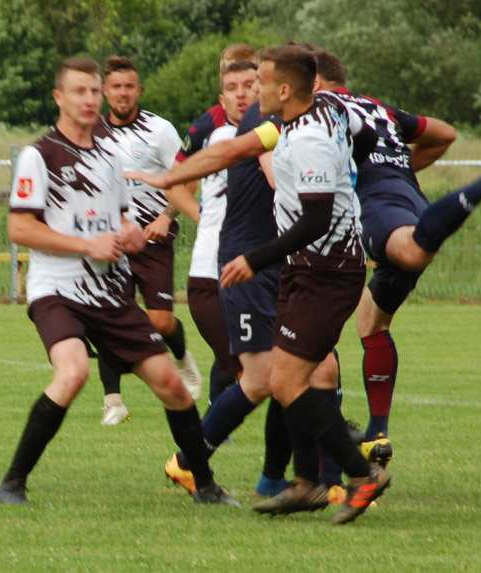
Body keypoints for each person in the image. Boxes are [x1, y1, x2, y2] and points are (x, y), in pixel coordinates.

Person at [131, 44, 389, 524]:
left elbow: (314, 220)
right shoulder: (317, 111)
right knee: (288, 379)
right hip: (305, 269)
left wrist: (255, 256)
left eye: (262, 84)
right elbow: (368, 136)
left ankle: (359, 476)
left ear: (285, 90)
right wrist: (168, 178)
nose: (255, 92)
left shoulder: (309, 137)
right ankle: (308, 481)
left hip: (325, 272)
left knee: (287, 381)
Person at [0, 57, 237, 507]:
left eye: (94, 91)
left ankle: (204, 486)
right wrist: (88, 246)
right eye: (79, 91)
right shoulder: (39, 154)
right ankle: (12, 483)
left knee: (172, 385)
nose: (90, 99)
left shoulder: (109, 152)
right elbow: (20, 229)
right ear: (59, 98)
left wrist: (128, 231)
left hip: (109, 291)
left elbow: (120, 216)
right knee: (73, 372)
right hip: (57, 289)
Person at [313, 47, 481, 453]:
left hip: (376, 203)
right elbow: (444, 133)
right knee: (372, 323)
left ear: (317, 82)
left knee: (410, 251)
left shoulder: (322, 105)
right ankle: (377, 435)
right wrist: (402, 165)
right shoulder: (377, 107)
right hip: (411, 197)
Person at [163, 61, 346, 503]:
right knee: (266, 376)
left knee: (309, 369)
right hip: (248, 263)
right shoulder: (269, 124)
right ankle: (190, 463)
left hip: (274, 261)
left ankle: (306, 479)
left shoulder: (289, 122)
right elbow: (272, 171)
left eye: (255, 83)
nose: (249, 92)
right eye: (241, 85)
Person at [94, 55, 202, 426]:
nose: (122, 93)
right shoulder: (91, 132)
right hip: (111, 240)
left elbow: (189, 177)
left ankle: (183, 359)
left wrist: (166, 216)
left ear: (139, 89)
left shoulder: (160, 130)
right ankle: (113, 401)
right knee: (108, 317)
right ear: (105, 91)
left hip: (154, 237)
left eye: (129, 86)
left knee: (160, 320)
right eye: (116, 87)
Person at [170, 43, 257, 407]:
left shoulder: (284, 128)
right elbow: (174, 182)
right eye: (232, 87)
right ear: (222, 95)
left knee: (280, 368)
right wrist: (203, 216)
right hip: (211, 271)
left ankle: (200, 443)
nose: (241, 94)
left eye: (248, 85)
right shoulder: (211, 129)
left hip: (262, 269)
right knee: (254, 371)